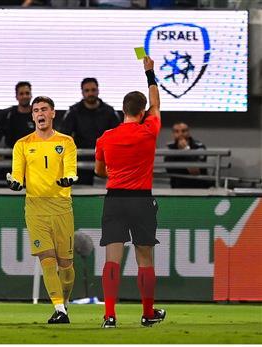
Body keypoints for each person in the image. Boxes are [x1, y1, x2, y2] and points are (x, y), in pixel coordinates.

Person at [94, 56, 166, 328]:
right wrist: (150, 74)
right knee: (144, 257)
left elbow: (100, 171)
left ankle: (109, 316)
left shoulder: (106, 137)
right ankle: (148, 314)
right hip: (141, 199)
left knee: (112, 259)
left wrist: (115, 172)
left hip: (114, 199)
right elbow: (157, 104)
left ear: (123, 110)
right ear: (142, 111)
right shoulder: (149, 130)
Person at [7, 96, 77, 324]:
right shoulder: (22, 144)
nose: (40, 113)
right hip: (35, 206)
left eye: (44, 109)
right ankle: (59, 309)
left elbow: (71, 168)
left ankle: (64, 304)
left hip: (61, 206)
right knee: (46, 259)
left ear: (53, 113)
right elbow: (17, 173)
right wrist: (15, 183)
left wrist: (68, 179)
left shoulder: (66, 142)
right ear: (33, 116)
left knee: (65, 264)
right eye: (36, 110)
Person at [60, 77, 120, 185]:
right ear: (82, 92)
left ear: (98, 91)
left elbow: (119, 137)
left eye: (93, 90)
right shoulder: (73, 112)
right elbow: (63, 137)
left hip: (105, 164)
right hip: (81, 164)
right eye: (87, 91)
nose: (90, 93)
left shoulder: (110, 112)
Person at [0, 81, 34, 186]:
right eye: (21, 94)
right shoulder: (6, 115)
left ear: (31, 95)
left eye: (27, 93)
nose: (25, 96)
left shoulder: (39, 116)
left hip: (33, 163)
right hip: (11, 161)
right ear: (16, 96)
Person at [164, 122, 212, 188]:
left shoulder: (199, 147)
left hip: (199, 188)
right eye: (176, 131)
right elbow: (171, 172)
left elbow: (195, 172)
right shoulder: (170, 148)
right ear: (173, 134)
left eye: (183, 131)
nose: (180, 134)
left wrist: (186, 149)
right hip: (177, 188)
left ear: (188, 132)